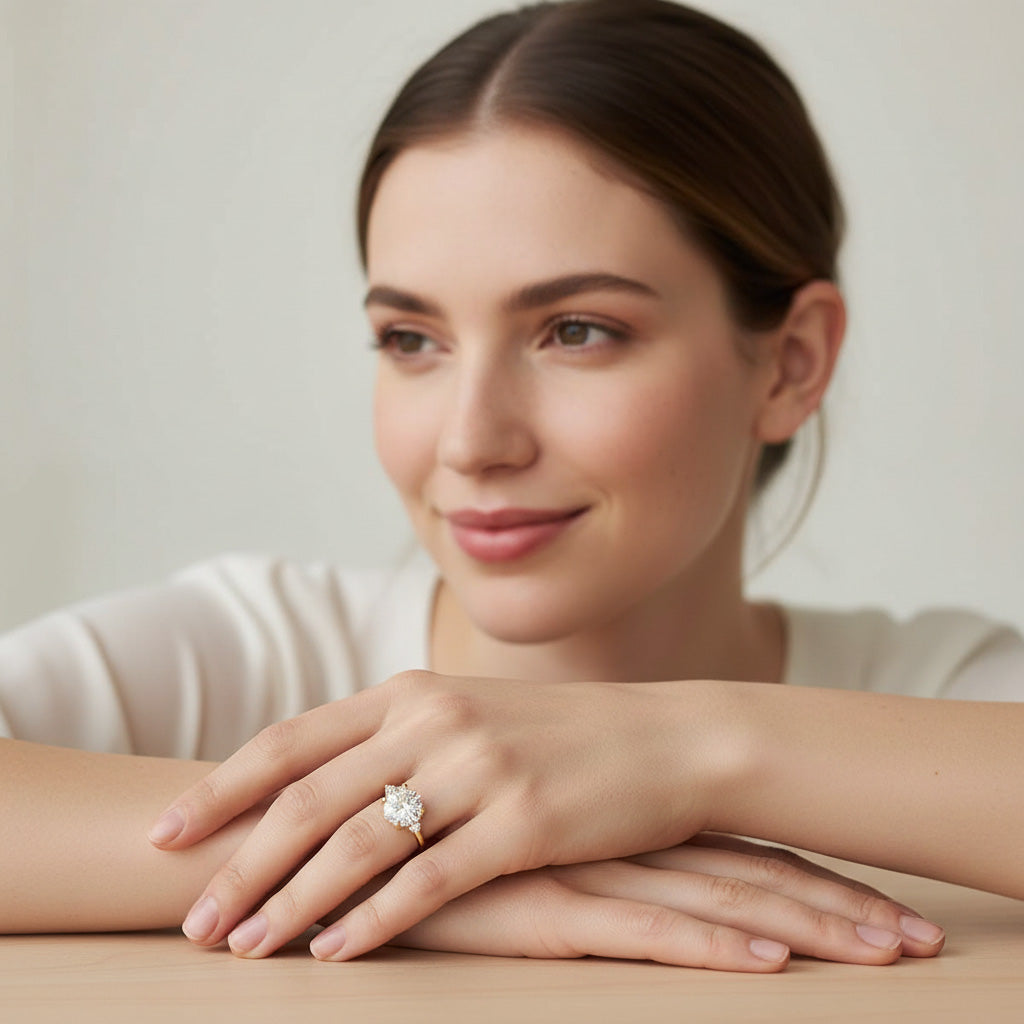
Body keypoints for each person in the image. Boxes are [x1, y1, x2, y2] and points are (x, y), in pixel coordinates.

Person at [2, 0, 1022, 974]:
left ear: (790, 364)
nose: (470, 439)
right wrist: (412, 861)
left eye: (576, 330)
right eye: (411, 339)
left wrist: (685, 751)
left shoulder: (933, 683)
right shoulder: (254, 646)